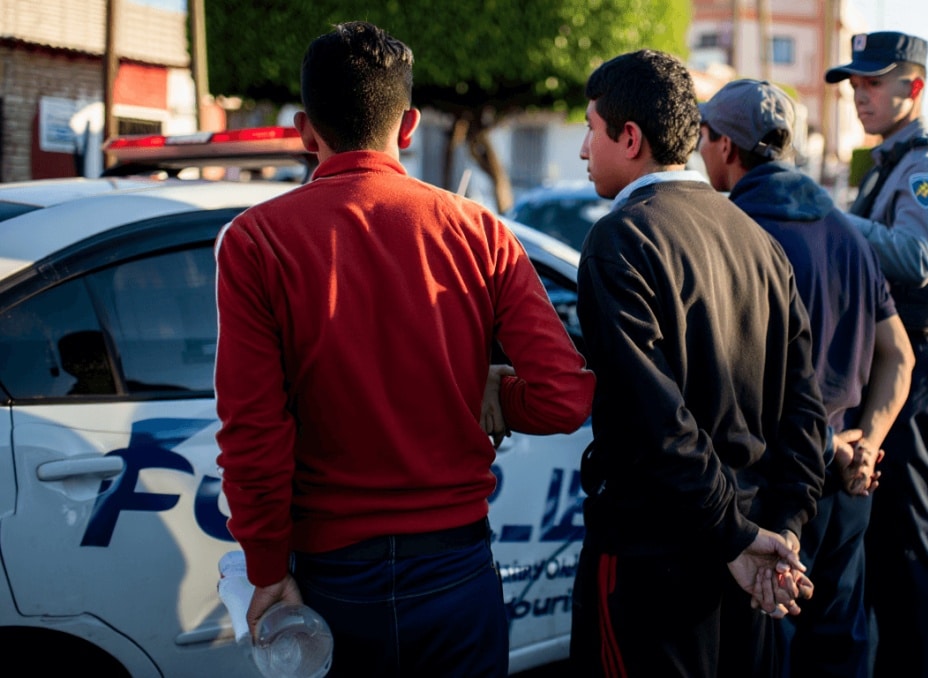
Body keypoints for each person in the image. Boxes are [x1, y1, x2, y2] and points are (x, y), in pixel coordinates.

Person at [213, 21, 595, 677]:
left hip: (333, 581)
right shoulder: (480, 231)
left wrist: (268, 571)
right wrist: (496, 395)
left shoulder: (255, 241)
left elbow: (253, 432)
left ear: (305, 131)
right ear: (410, 125)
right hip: (458, 576)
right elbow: (564, 398)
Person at [569, 50, 829, 677]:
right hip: (751, 555)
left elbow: (655, 421)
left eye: (591, 128)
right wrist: (780, 530)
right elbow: (805, 408)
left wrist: (743, 536)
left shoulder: (621, 238)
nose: (582, 149)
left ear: (630, 138)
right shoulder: (759, 243)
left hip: (657, 562)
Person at [698, 79, 915, 678]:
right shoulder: (848, 233)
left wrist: (831, 448)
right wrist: (864, 446)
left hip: (773, 492)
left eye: (704, 135)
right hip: (846, 490)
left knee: (770, 653)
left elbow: (737, 383)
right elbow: (899, 355)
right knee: (840, 648)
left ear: (726, 146)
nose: (699, 148)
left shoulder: (732, 236)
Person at [825, 31, 928, 677]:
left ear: (914, 88)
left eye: (873, 83)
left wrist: (828, 219)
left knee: (904, 548)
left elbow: (915, 258)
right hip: (890, 369)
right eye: (855, 85)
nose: (860, 95)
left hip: (915, 372)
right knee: (879, 547)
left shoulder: (922, 167)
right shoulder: (891, 160)